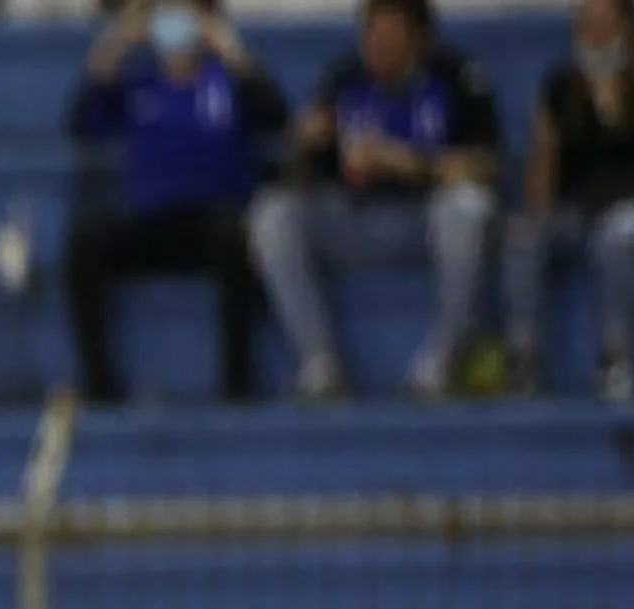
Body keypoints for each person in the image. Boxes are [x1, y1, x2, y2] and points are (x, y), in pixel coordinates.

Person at [248, 0, 503, 399]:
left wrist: (411, 163)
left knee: (468, 209)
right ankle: (320, 364)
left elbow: (488, 166)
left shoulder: (457, 77)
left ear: (420, 38)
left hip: (424, 218)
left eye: (390, 35)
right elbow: (299, 175)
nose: (379, 46)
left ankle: (440, 362)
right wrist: (305, 145)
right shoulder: (345, 78)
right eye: (372, 35)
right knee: (272, 214)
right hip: (356, 216)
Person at [65, 0, 288, 405]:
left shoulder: (227, 81)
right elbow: (80, 122)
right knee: (85, 243)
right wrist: (118, 40)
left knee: (238, 237)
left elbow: (275, 115)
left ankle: (238, 385)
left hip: (215, 221)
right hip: (153, 221)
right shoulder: (139, 83)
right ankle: (101, 386)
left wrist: (232, 50)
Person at [499, 0, 634, 402]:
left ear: (630, 28)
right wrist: (539, 219)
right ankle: (524, 358)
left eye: (606, 25)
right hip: (583, 211)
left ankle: (616, 358)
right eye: (587, 26)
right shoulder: (562, 89)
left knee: (619, 231)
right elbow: (542, 178)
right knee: (522, 234)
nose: (596, 36)